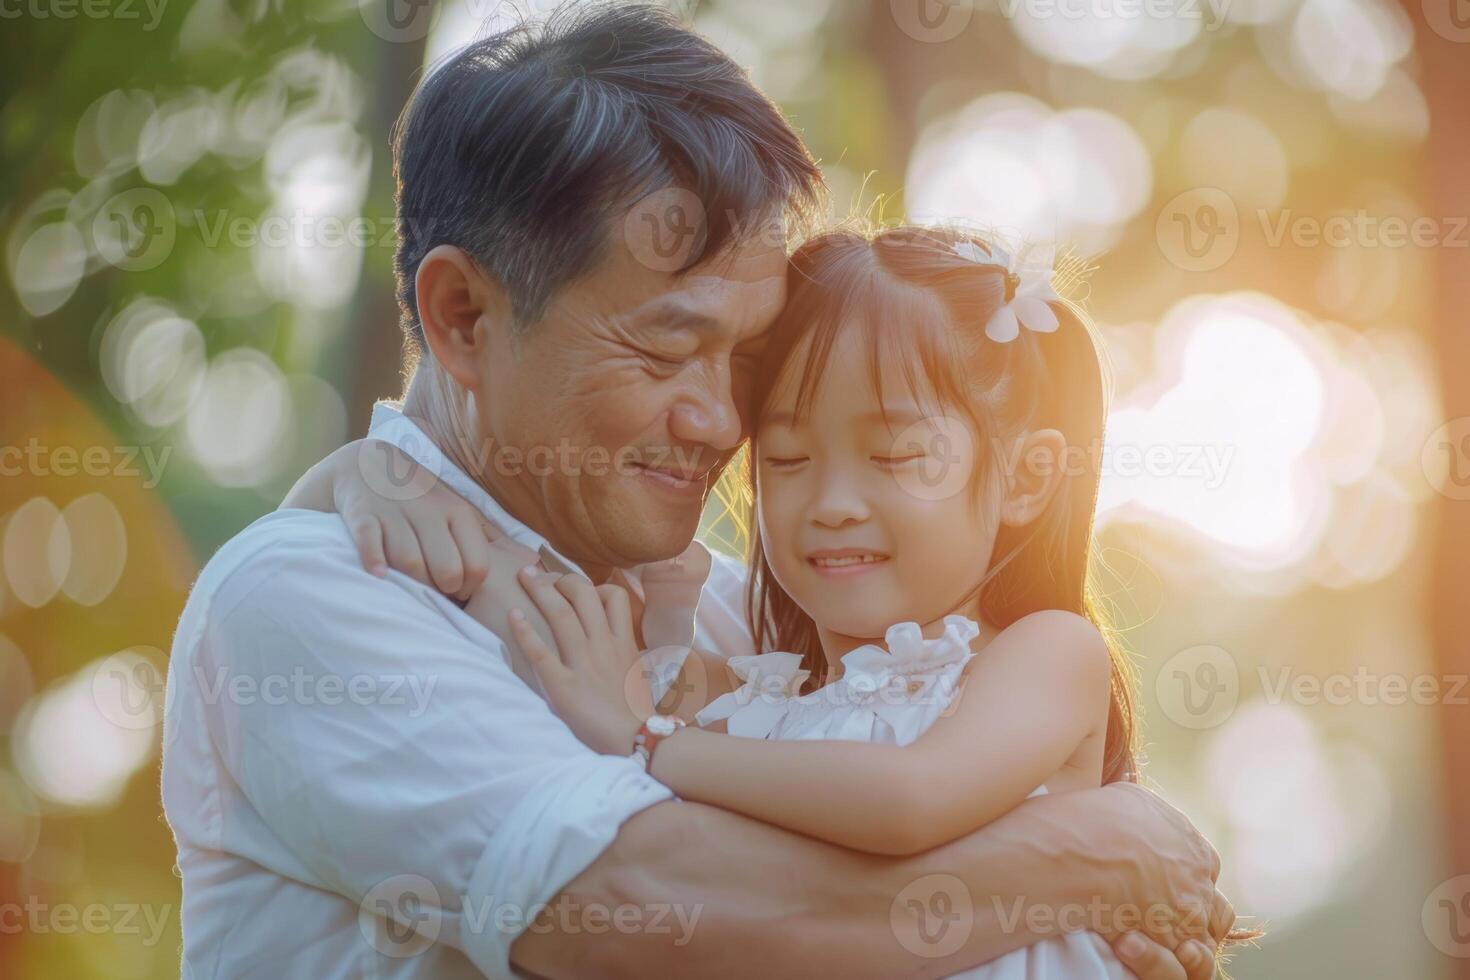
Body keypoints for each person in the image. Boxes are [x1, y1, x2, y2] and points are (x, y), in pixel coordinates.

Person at [162, 6, 1231, 978]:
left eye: (747, 360)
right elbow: (647, 907)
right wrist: (1081, 860)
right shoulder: (314, 595)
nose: (723, 424)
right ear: (463, 318)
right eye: (669, 349)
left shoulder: (752, 619)